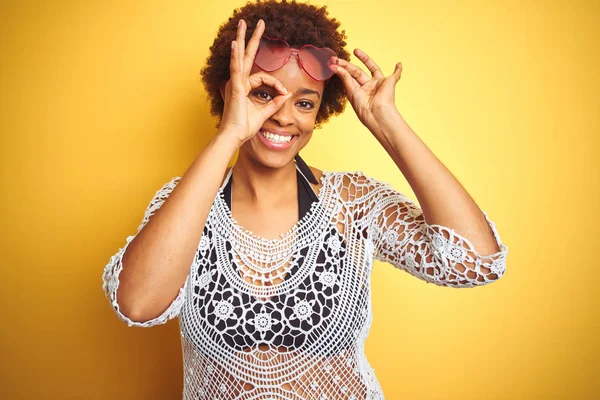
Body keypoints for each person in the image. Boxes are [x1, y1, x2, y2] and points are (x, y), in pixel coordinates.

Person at [102, 0, 509, 398]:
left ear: (320, 111)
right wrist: (230, 132)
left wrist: (387, 123)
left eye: (304, 103)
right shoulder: (187, 204)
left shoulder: (352, 203)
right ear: (230, 93)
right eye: (264, 94)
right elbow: (138, 303)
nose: (283, 117)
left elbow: (475, 263)